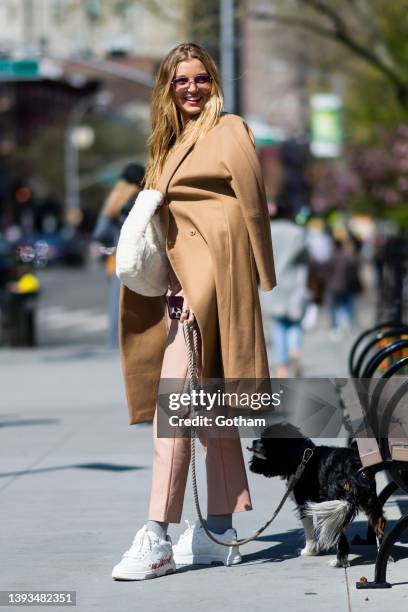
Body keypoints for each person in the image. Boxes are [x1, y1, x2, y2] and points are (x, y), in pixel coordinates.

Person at [112, 42, 276, 581]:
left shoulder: (229, 129)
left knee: (176, 408)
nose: (192, 87)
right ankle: (220, 530)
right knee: (209, 408)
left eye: (201, 78)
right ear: (166, 86)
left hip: (212, 284)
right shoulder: (167, 142)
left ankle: (157, 533)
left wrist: (259, 274)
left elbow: (251, 204)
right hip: (177, 284)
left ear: (214, 82)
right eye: (181, 80)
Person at [93, 164, 145, 347]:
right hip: (141, 258)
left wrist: (115, 239)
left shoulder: (114, 200)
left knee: (118, 307)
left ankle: (115, 347)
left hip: (119, 258)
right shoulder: (143, 198)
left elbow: (100, 233)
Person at [259, 203, 309, 378]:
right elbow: (305, 261)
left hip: (273, 283)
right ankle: (294, 349)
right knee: (295, 321)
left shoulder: (268, 231)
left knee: (279, 325)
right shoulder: (298, 232)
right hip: (294, 282)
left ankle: (281, 367)